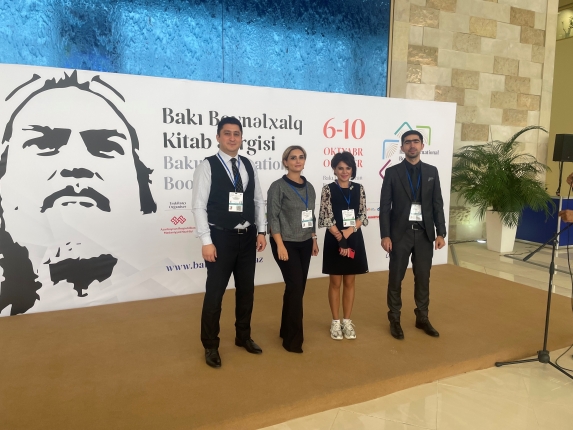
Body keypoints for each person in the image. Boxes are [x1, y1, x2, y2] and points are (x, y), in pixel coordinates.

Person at [0, 70, 156, 316]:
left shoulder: (167, 285)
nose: (76, 165)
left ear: (140, 179)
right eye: (44, 144)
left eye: (105, 147)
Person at [191, 116, 267, 368]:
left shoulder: (248, 164)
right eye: (227, 133)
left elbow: (258, 200)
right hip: (220, 238)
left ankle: (243, 336)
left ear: (241, 137)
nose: (232, 138)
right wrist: (206, 241)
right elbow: (199, 205)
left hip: (248, 236)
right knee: (215, 294)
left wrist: (261, 231)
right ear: (218, 137)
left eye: (236, 134)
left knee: (246, 291)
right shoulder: (207, 166)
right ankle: (210, 345)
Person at [380, 130, 446, 340]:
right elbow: (385, 207)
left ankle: (422, 317)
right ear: (402, 147)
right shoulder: (392, 172)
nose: (412, 145)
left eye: (416, 141)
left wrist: (441, 232)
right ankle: (395, 318)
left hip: (425, 234)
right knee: (396, 277)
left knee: (423, 277)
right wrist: (385, 235)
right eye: (407, 142)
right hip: (400, 235)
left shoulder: (432, 171)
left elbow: (437, 204)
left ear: (422, 146)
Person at [267, 146, 319, 353]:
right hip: (285, 242)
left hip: (305, 242)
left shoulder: (310, 187)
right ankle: (293, 341)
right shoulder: (278, 187)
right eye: (293, 157)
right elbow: (273, 217)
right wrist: (279, 244)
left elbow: (311, 215)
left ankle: (285, 330)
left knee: (296, 289)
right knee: (296, 288)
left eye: (301, 157)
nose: (297, 161)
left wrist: (314, 239)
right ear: (285, 162)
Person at [319, 151, 368, 340]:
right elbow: (326, 216)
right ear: (334, 169)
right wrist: (340, 236)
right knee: (335, 282)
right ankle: (335, 321)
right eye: (340, 168)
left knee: (349, 281)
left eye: (348, 168)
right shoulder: (328, 189)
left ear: (352, 169)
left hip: (353, 238)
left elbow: (362, 215)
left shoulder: (359, 188)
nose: (344, 171)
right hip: (334, 239)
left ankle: (347, 321)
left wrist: (349, 231)